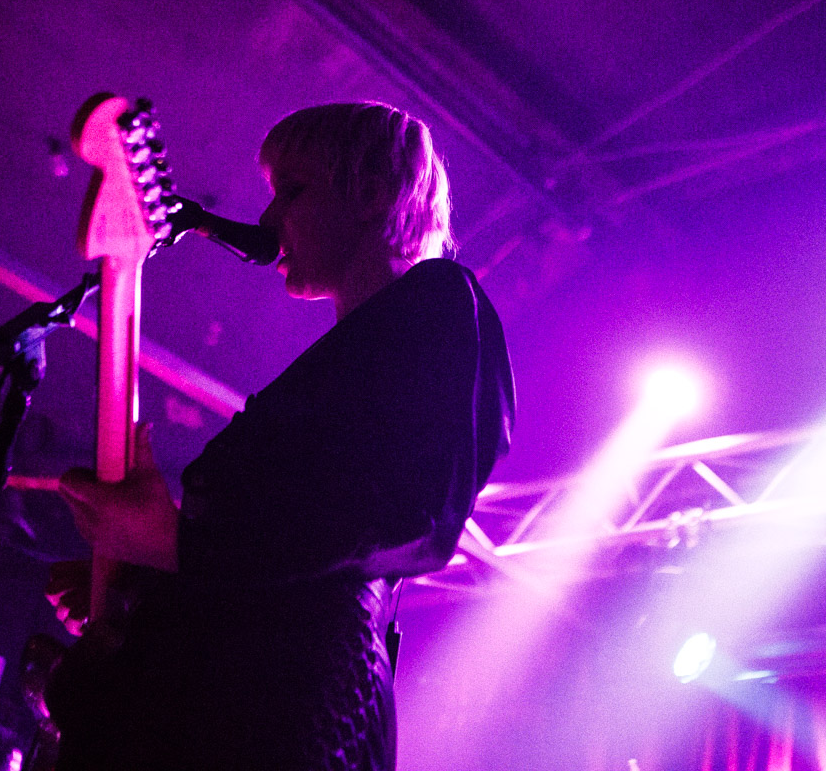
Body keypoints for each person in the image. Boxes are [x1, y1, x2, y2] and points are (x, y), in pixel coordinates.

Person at [43, 102, 515, 770]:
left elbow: (410, 517)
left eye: (292, 191)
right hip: (250, 700)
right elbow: (281, 549)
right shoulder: (347, 365)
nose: (267, 221)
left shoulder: (442, 299)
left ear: (370, 194)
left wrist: (176, 544)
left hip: (299, 710)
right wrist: (147, 581)